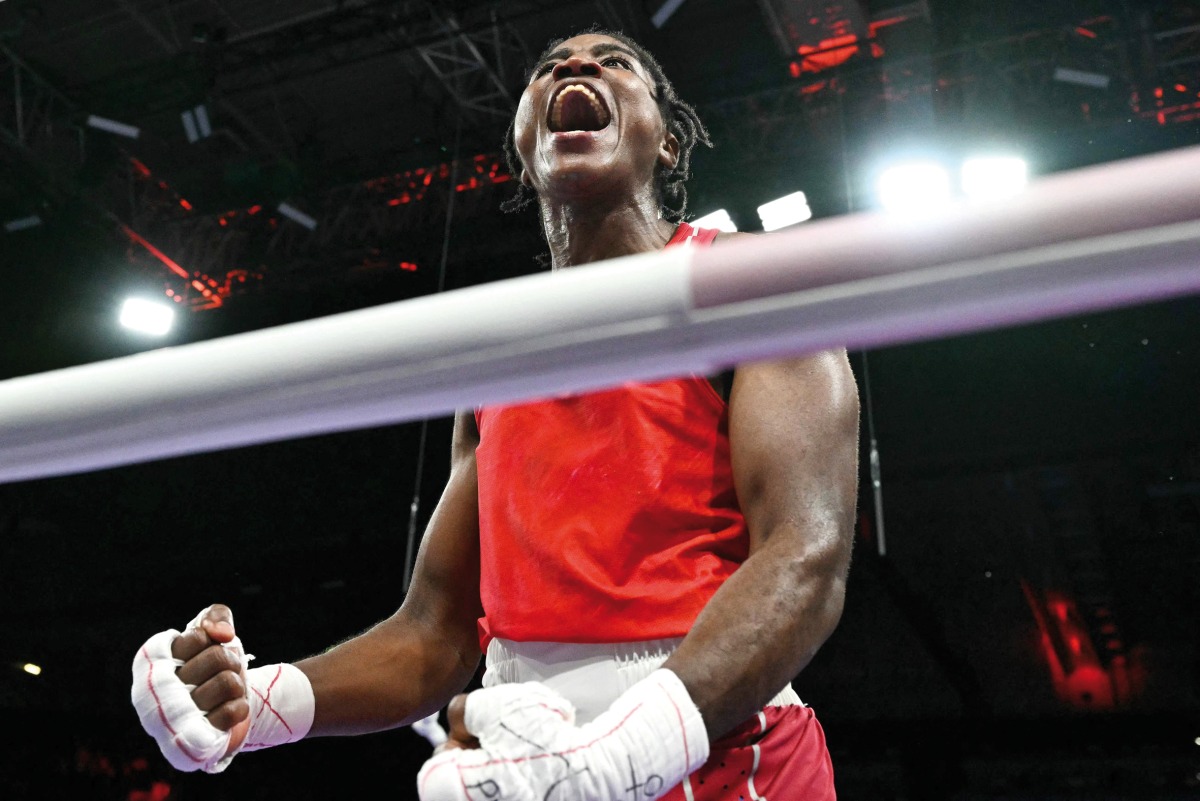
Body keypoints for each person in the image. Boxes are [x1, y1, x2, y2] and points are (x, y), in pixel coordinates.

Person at [130, 28, 860, 801]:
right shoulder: (492, 356)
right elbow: (435, 632)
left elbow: (805, 556)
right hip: (526, 757)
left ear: (669, 142)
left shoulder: (754, 281)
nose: (575, 67)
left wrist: (622, 754)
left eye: (615, 63)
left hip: (719, 751)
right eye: (548, 68)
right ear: (523, 143)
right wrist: (257, 702)